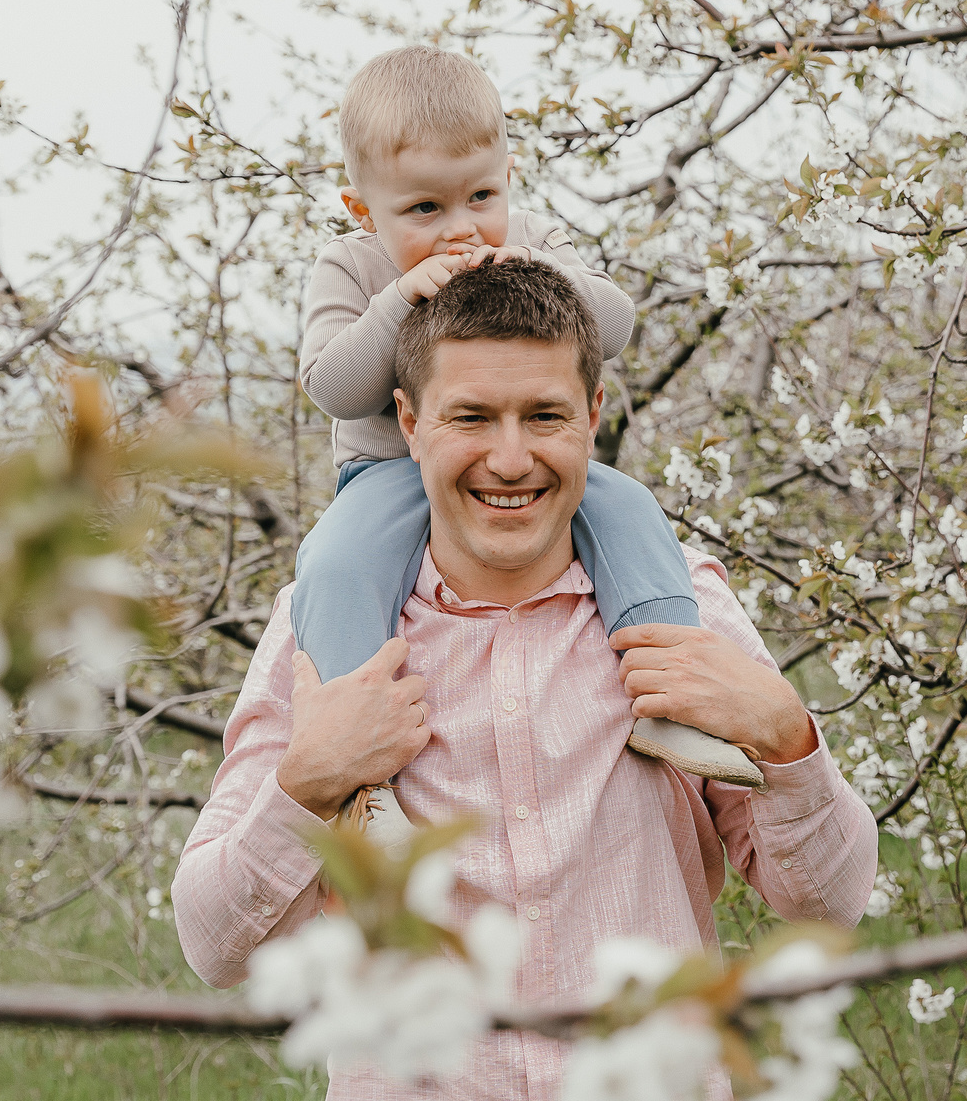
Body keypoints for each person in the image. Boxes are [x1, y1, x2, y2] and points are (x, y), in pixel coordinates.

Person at [174, 258, 878, 1101]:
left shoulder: (680, 613)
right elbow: (211, 944)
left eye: (544, 415)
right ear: (407, 424)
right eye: (472, 417)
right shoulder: (327, 636)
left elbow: (827, 903)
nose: (510, 457)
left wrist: (791, 743)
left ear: (594, 416)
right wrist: (303, 787)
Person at [294, 43, 759, 830]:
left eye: (481, 195)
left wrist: (543, 267)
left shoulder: (531, 234)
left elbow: (613, 325)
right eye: (424, 210)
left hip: (531, 468)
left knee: (631, 511)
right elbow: (333, 388)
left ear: (508, 176)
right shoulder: (351, 266)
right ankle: (363, 781)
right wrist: (397, 301)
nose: (461, 229)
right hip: (388, 473)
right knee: (336, 563)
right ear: (363, 209)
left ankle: (674, 692)